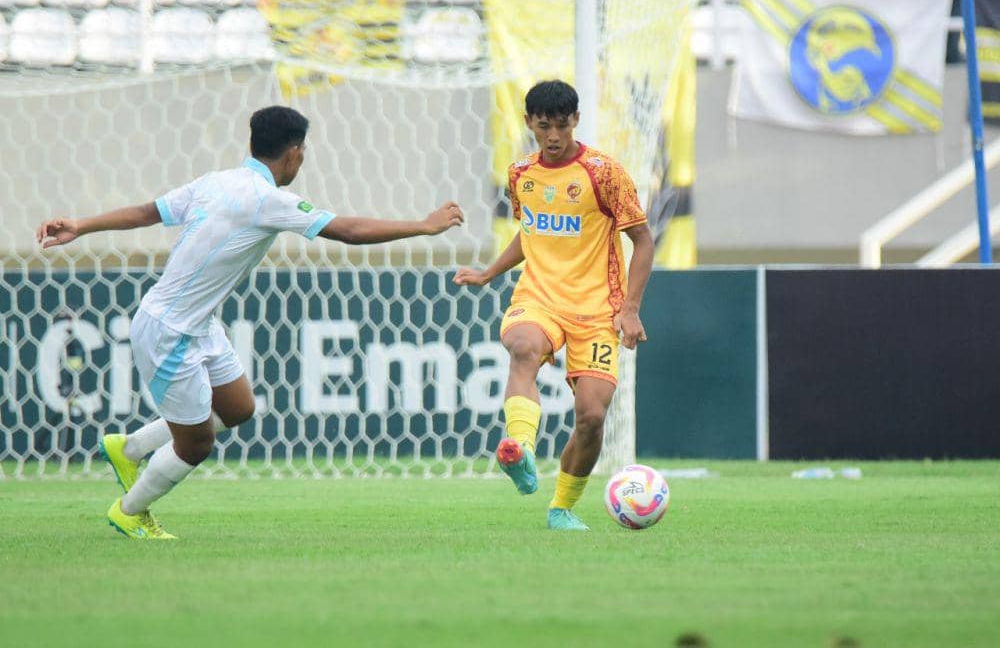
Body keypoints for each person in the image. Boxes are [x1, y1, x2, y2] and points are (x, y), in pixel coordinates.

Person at [36, 105, 465, 539]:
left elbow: (149, 211)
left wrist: (83, 225)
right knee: (196, 444)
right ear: (295, 153)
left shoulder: (215, 182)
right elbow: (348, 231)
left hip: (197, 324)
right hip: (170, 332)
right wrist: (422, 227)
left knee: (237, 408)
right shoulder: (266, 200)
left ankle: (128, 449)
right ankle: (131, 511)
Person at [454, 80, 654, 530]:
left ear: (576, 121)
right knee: (522, 347)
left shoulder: (605, 173)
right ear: (529, 123)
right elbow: (530, 234)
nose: (554, 136)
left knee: (592, 417)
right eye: (544, 126)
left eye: (562, 125)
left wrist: (631, 309)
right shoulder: (521, 174)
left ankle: (561, 508)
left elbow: (642, 241)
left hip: (599, 308)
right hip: (538, 297)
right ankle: (519, 449)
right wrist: (489, 272)